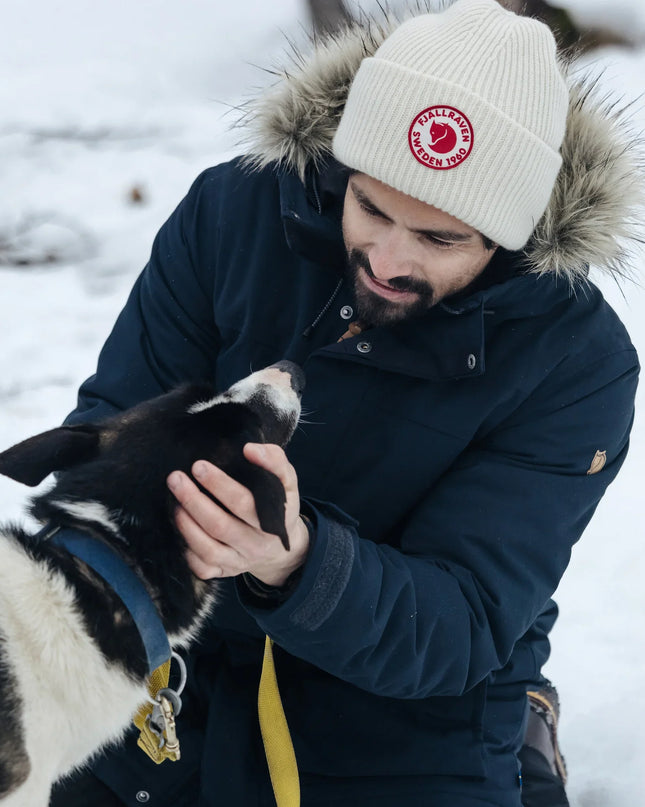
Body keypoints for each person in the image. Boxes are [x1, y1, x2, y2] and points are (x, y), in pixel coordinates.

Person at [49, 0, 642, 805]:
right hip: (182, 655)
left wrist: (295, 561)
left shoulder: (576, 359)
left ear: (512, 234)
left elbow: (462, 620)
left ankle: (524, 740)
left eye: (439, 238)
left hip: (410, 703)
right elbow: (111, 430)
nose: (388, 259)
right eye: (370, 206)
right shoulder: (233, 214)